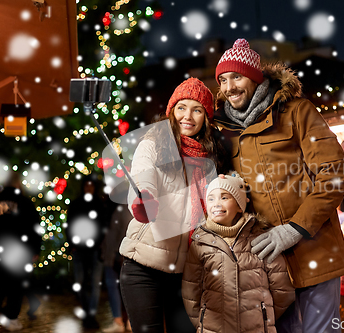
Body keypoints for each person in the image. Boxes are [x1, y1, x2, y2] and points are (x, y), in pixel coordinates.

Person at [213, 39, 344, 333]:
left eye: (236, 77)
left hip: (315, 249)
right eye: (223, 80)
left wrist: (295, 228)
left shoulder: (297, 112)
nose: (229, 87)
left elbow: (335, 174)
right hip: (267, 263)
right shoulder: (225, 131)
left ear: (254, 77)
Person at [119, 77, 227, 333]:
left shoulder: (210, 158)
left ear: (206, 117)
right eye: (181, 107)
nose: (187, 116)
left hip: (186, 272)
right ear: (171, 111)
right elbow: (143, 176)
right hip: (143, 265)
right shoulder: (154, 143)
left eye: (197, 109)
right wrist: (144, 200)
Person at [182, 173, 295, 332]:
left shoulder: (260, 238)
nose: (216, 204)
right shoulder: (200, 243)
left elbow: (282, 290)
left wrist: (263, 317)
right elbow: (190, 291)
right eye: (211, 198)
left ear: (239, 205)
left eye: (224, 197)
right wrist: (202, 320)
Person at [0, 172, 41, 331]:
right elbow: (35, 227)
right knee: (16, 286)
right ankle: (11, 319)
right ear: (18, 184)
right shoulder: (25, 203)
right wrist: (35, 249)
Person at [66, 174, 111, 329]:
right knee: (80, 282)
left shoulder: (99, 204)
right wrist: (73, 243)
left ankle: (90, 315)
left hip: (95, 250)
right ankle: (87, 314)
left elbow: (103, 226)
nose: (89, 188)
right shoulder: (77, 204)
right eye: (87, 185)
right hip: (79, 249)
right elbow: (70, 224)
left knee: (94, 284)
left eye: (91, 185)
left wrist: (99, 245)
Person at [101, 201, 133, 332]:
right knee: (117, 287)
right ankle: (121, 321)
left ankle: (124, 321)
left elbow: (119, 233)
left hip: (119, 254)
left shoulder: (123, 209)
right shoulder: (116, 208)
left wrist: (114, 252)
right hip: (115, 253)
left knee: (121, 288)